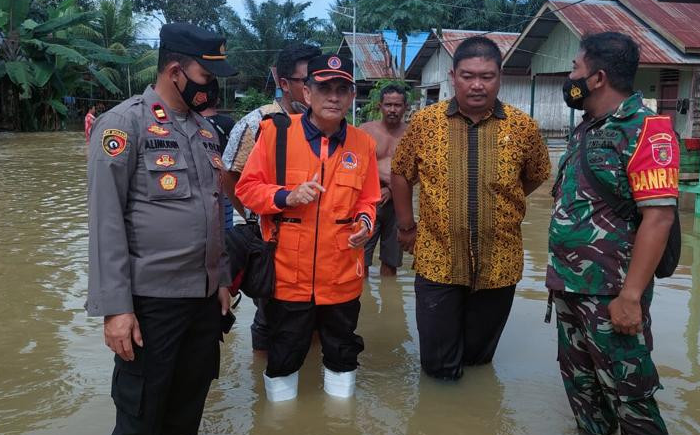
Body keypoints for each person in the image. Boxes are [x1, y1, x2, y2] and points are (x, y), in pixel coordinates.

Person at [86, 22, 237, 435]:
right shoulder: (123, 125)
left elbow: (216, 210)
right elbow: (104, 221)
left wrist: (223, 280)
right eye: (207, 77)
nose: (211, 88)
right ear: (176, 71)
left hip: (203, 296)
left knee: (189, 403)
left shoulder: (208, 132)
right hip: (151, 301)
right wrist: (116, 310)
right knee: (140, 410)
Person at [546, 31, 677, 435]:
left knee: (630, 394)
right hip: (569, 286)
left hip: (612, 293)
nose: (571, 79)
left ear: (598, 77)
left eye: (575, 70)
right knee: (583, 390)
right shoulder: (588, 127)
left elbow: (659, 217)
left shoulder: (646, 130)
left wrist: (630, 297)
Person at [391, 36, 550, 381]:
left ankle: (475, 426)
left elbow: (537, 175)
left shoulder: (523, 127)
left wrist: (502, 201)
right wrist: (407, 226)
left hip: (500, 262)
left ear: (500, 77)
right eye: (468, 75)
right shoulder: (425, 123)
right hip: (437, 260)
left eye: (487, 76)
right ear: (453, 76)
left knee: (479, 362)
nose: (477, 85)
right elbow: (401, 174)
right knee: (438, 367)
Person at [236, 54, 379, 402]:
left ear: (352, 96)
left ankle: (339, 429)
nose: (333, 96)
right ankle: (280, 432)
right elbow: (246, 190)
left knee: (343, 353)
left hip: (342, 275)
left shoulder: (363, 144)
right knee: (284, 354)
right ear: (307, 93)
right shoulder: (275, 134)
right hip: (287, 276)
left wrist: (365, 223)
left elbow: (369, 200)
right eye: (324, 88)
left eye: (342, 89)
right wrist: (287, 195)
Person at [221, 43, 321, 351]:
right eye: (305, 81)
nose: (312, 89)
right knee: (270, 314)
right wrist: (255, 214)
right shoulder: (258, 123)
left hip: (319, 239)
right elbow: (229, 175)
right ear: (284, 82)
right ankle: (264, 385)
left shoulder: (331, 124)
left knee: (318, 312)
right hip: (273, 237)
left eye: (316, 80)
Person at [359, 84, 408, 277]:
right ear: (380, 106)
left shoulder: (412, 134)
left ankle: (390, 303)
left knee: (391, 262)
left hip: (399, 204)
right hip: (369, 201)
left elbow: (420, 171)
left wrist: (392, 189)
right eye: (388, 105)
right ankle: (363, 303)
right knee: (360, 259)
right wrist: (381, 186)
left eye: (397, 105)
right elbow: (354, 165)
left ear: (405, 107)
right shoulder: (365, 131)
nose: (393, 110)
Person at [199, 81, 237, 231]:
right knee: (226, 227)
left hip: (198, 185)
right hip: (223, 183)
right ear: (217, 99)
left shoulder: (191, 123)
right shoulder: (228, 123)